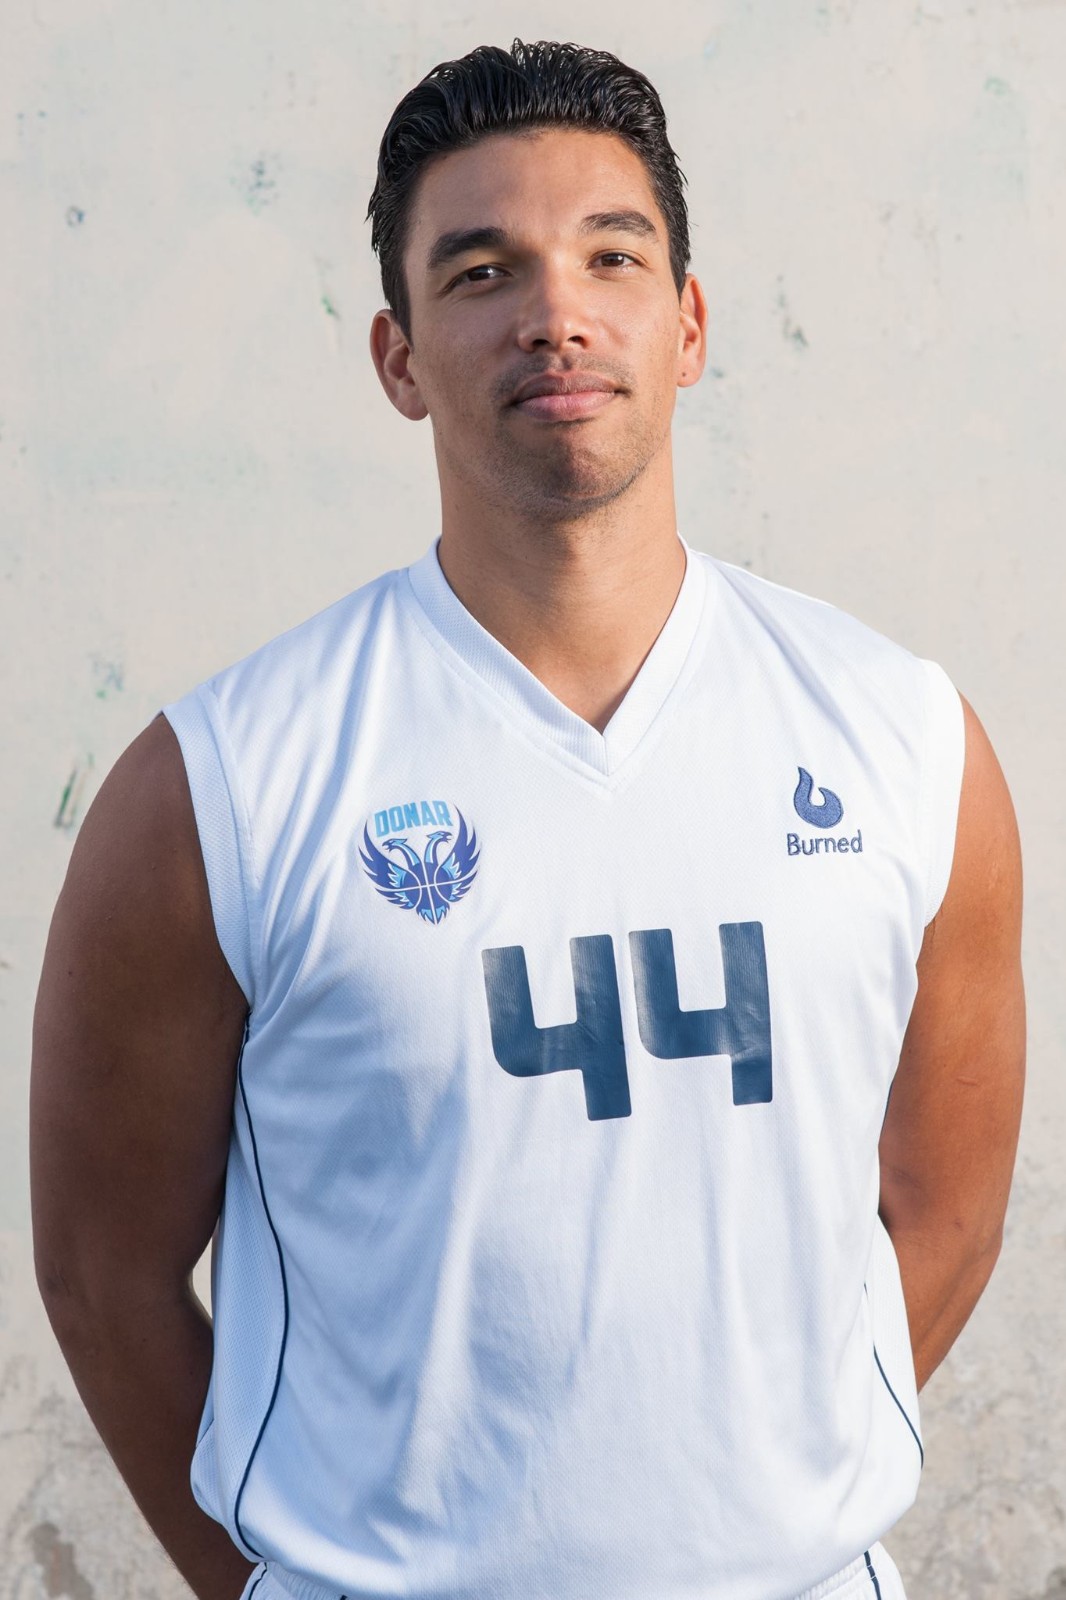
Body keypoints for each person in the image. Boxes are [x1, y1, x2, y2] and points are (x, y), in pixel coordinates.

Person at [30, 37, 1025, 1600]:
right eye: (481, 271)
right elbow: (104, 1277)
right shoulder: (224, 783)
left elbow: (946, 1215)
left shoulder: (899, 737)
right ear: (398, 359)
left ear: (688, 324)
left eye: (610, 256)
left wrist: (753, 1503)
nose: (554, 312)